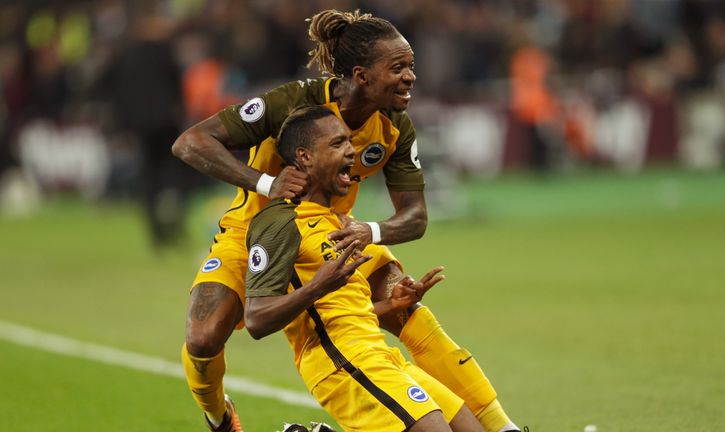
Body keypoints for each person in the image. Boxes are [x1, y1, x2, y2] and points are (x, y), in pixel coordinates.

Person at [173, 9, 519, 432]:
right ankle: (218, 416)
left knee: (410, 310)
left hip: (332, 232)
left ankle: (502, 427)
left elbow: (414, 216)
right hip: (254, 230)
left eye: (411, 66)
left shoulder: (393, 125)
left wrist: (367, 231)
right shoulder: (293, 103)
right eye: (398, 68)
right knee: (204, 338)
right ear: (361, 75)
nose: (411, 77)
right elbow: (191, 142)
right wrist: (266, 184)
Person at [244, 105, 484, 432]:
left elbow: (340, 312)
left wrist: (389, 305)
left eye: (349, 143)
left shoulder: (342, 222)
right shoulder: (280, 223)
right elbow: (256, 319)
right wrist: (317, 286)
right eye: (337, 144)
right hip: (341, 363)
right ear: (305, 156)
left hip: (380, 354)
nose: (351, 151)